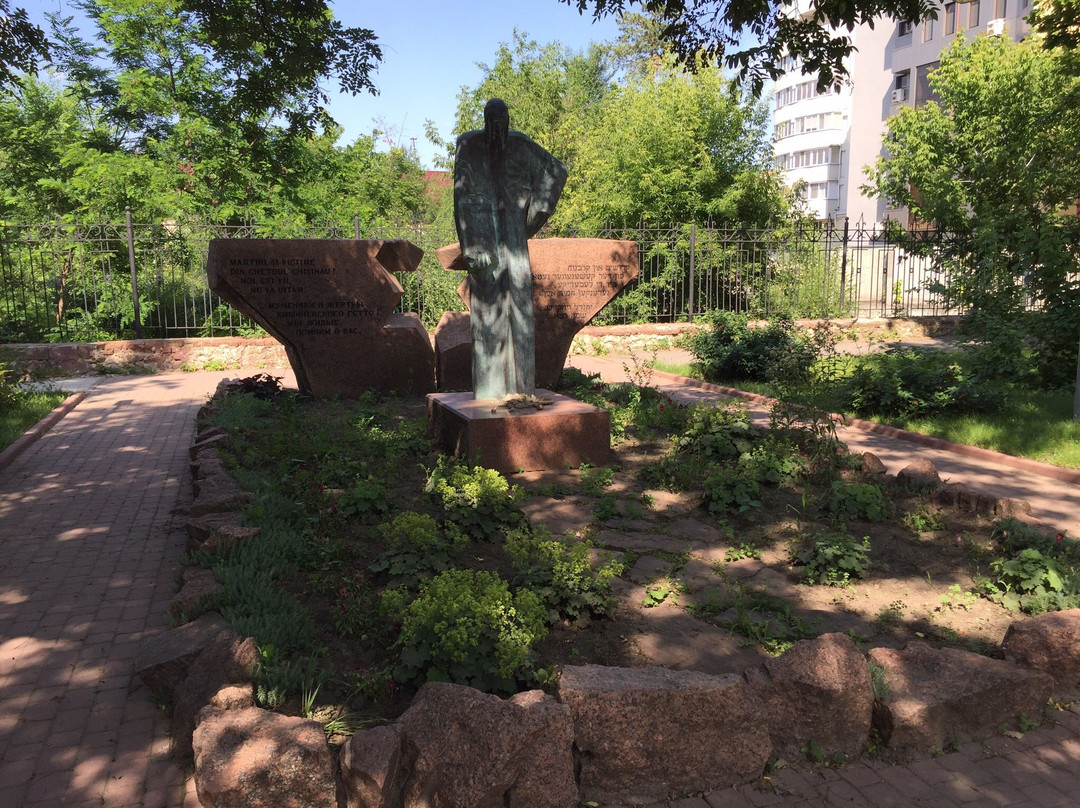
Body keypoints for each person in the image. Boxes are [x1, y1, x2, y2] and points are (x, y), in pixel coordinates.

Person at [453, 98, 568, 401]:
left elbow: (557, 170)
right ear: (484, 120)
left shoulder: (520, 145)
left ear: (507, 121)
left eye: (501, 122)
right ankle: (489, 390)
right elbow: (460, 197)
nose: (496, 130)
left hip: (515, 236)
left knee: (519, 303)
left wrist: (537, 212)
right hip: (482, 237)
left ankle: (521, 388)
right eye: (491, 122)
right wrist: (471, 245)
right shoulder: (469, 145)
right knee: (487, 309)